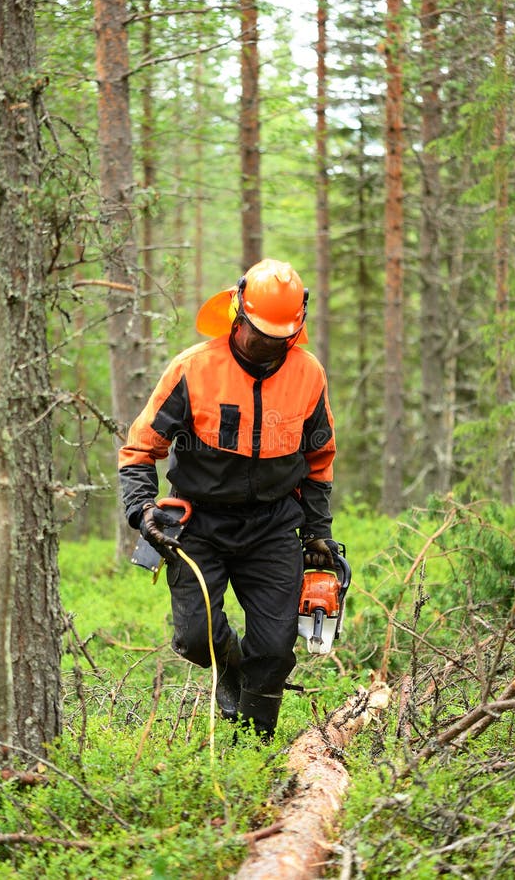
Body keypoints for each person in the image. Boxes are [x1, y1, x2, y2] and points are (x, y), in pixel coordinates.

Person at [119, 258, 338, 740]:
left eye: (280, 339)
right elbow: (139, 450)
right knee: (197, 638)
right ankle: (233, 673)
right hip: (200, 523)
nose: (269, 347)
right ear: (238, 314)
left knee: (277, 649)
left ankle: (253, 746)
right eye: (261, 335)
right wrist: (142, 510)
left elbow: (319, 461)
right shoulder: (193, 369)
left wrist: (319, 534)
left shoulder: (308, 374)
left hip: (274, 525)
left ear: (296, 327)